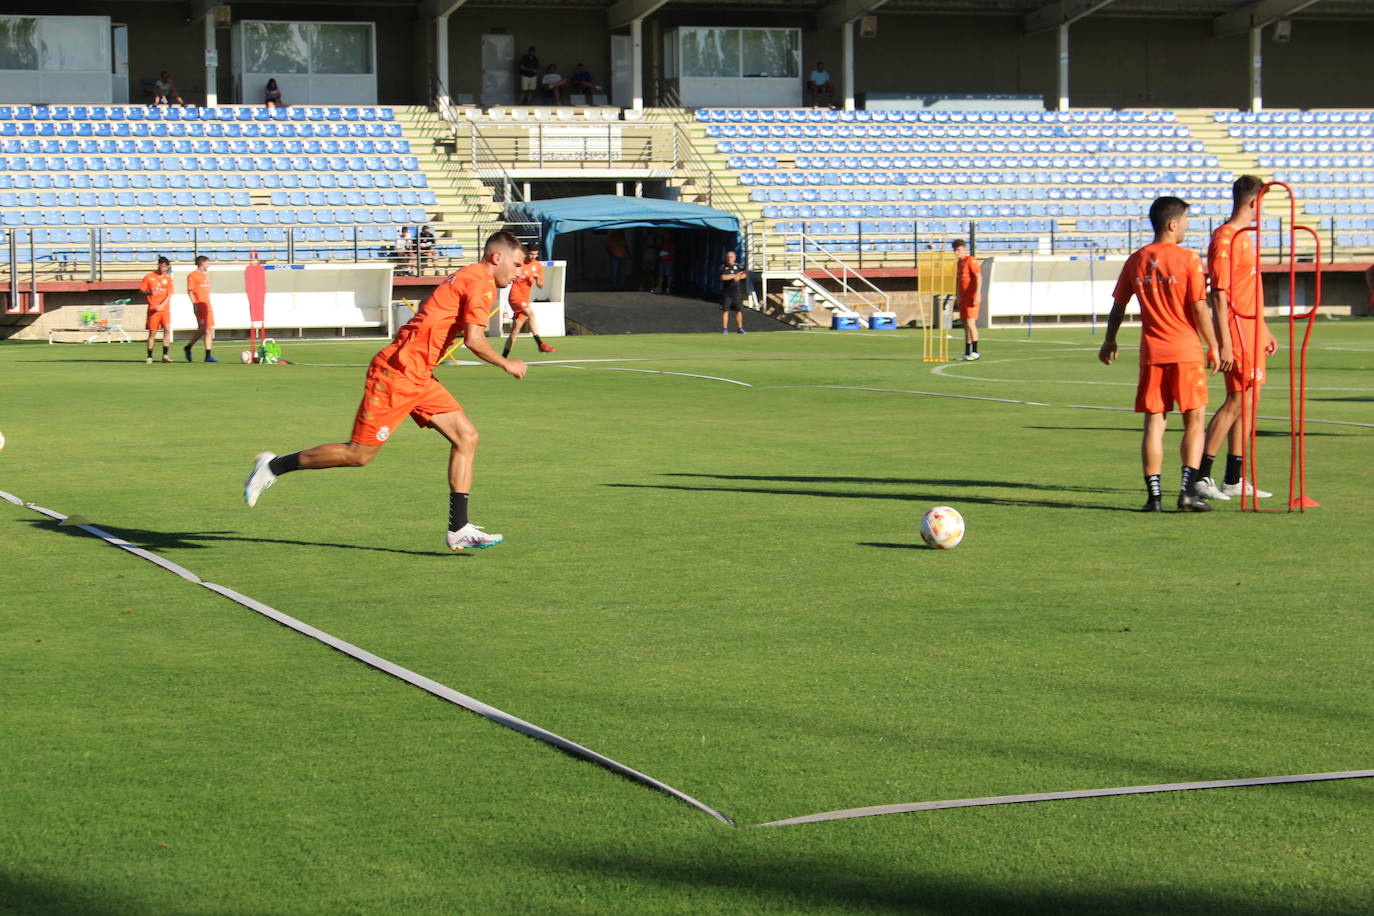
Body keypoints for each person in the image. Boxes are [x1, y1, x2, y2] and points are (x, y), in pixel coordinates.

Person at [243, 232, 529, 552]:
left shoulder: (467, 275)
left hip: (418, 374)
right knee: (358, 455)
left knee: (467, 437)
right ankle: (272, 466)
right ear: (496, 258)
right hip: (397, 374)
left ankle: (458, 527)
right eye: (517, 264)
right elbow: (475, 340)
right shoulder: (482, 283)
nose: (519, 272)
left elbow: (429, 307)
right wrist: (506, 363)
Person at [1098, 196, 1221, 513]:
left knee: (1155, 424)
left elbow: (1119, 305)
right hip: (1186, 351)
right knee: (1194, 421)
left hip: (1152, 352)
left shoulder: (1136, 259)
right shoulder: (1188, 259)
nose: (1186, 228)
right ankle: (1186, 492)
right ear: (1172, 224)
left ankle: (1153, 497)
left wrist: (1109, 340)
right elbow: (1198, 307)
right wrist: (1214, 344)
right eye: (1185, 222)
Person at [1194, 175, 1277, 503]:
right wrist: (1224, 342)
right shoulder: (1225, 238)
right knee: (1236, 401)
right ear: (1254, 202)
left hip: (1253, 330)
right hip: (1237, 331)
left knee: (1251, 402)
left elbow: (1249, 289)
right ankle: (1200, 475)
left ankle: (1233, 478)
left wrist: (1265, 327)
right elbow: (1220, 295)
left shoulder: (1245, 238)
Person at [502, 242, 556, 356]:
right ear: (526, 252)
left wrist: (537, 279)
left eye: (535, 255)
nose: (533, 257)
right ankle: (540, 344)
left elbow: (541, 286)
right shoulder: (519, 263)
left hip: (525, 300)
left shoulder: (537, 266)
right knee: (531, 314)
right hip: (515, 297)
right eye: (531, 254)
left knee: (515, 331)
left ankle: (503, 357)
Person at [140, 256, 175, 363]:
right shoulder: (149, 277)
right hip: (153, 310)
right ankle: (149, 356)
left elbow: (169, 295)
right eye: (162, 266)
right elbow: (141, 291)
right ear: (158, 265)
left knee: (168, 330)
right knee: (152, 333)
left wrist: (162, 305)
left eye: (165, 266)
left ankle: (165, 355)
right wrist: (150, 293)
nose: (163, 268)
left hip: (164, 310)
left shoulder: (168, 279)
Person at [183, 255, 217, 362]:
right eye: (208, 262)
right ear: (202, 263)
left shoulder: (204, 276)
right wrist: (194, 304)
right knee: (203, 328)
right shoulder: (193, 275)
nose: (209, 264)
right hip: (199, 305)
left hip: (207, 305)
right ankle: (188, 346)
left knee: (209, 329)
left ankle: (208, 356)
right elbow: (190, 291)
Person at [952, 239, 982, 361]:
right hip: (963, 298)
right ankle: (967, 352)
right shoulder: (959, 263)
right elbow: (958, 282)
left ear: (964, 249)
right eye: (954, 250)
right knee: (965, 325)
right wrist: (957, 295)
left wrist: (977, 293)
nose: (956, 252)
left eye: (958, 249)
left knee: (970, 323)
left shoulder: (971, 261)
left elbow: (978, 276)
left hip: (971, 297)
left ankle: (975, 351)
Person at [719, 250, 748, 334]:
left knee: (738, 310)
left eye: (731, 257)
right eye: (728, 257)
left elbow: (745, 274)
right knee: (725, 310)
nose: (729, 259)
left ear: (734, 258)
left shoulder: (739, 266)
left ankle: (740, 328)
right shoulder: (723, 267)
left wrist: (740, 277)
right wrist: (734, 276)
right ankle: (725, 329)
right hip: (727, 293)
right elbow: (723, 277)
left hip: (736, 293)